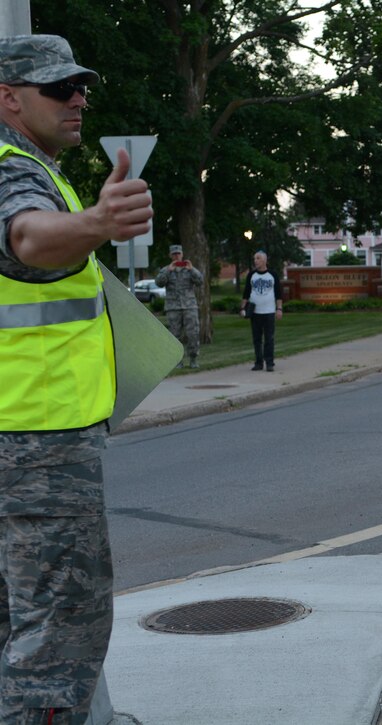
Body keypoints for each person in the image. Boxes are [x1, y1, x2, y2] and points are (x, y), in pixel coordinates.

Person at [0, 35, 154, 722]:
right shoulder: (13, 172)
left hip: (24, 437)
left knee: (17, 622)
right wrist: (95, 221)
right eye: (57, 89)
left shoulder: (36, 168)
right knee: (59, 632)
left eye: (79, 86)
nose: (78, 98)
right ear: (8, 99)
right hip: (36, 443)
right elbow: (27, 238)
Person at [155, 243, 204, 368]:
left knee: (193, 333)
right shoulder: (166, 270)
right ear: (170, 256)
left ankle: (193, 359)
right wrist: (168, 271)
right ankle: (178, 360)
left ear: (182, 254)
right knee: (174, 336)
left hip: (189, 306)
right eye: (174, 254)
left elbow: (200, 281)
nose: (177, 256)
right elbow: (159, 283)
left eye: (178, 254)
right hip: (173, 307)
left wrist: (191, 269)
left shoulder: (189, 268)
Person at [241, 250, 283, 371]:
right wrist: (242, 307)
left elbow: (278, 294)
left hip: (269, 311)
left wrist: (279, 309)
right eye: (255, 258)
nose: (256, 261)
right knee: (257, 339)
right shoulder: (252, 275)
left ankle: (269, 362)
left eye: (258, 258)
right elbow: (246, 293)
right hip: (255, 312)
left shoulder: (272, 275)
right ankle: (258, 362)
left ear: (264, 260)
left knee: (269, 338)